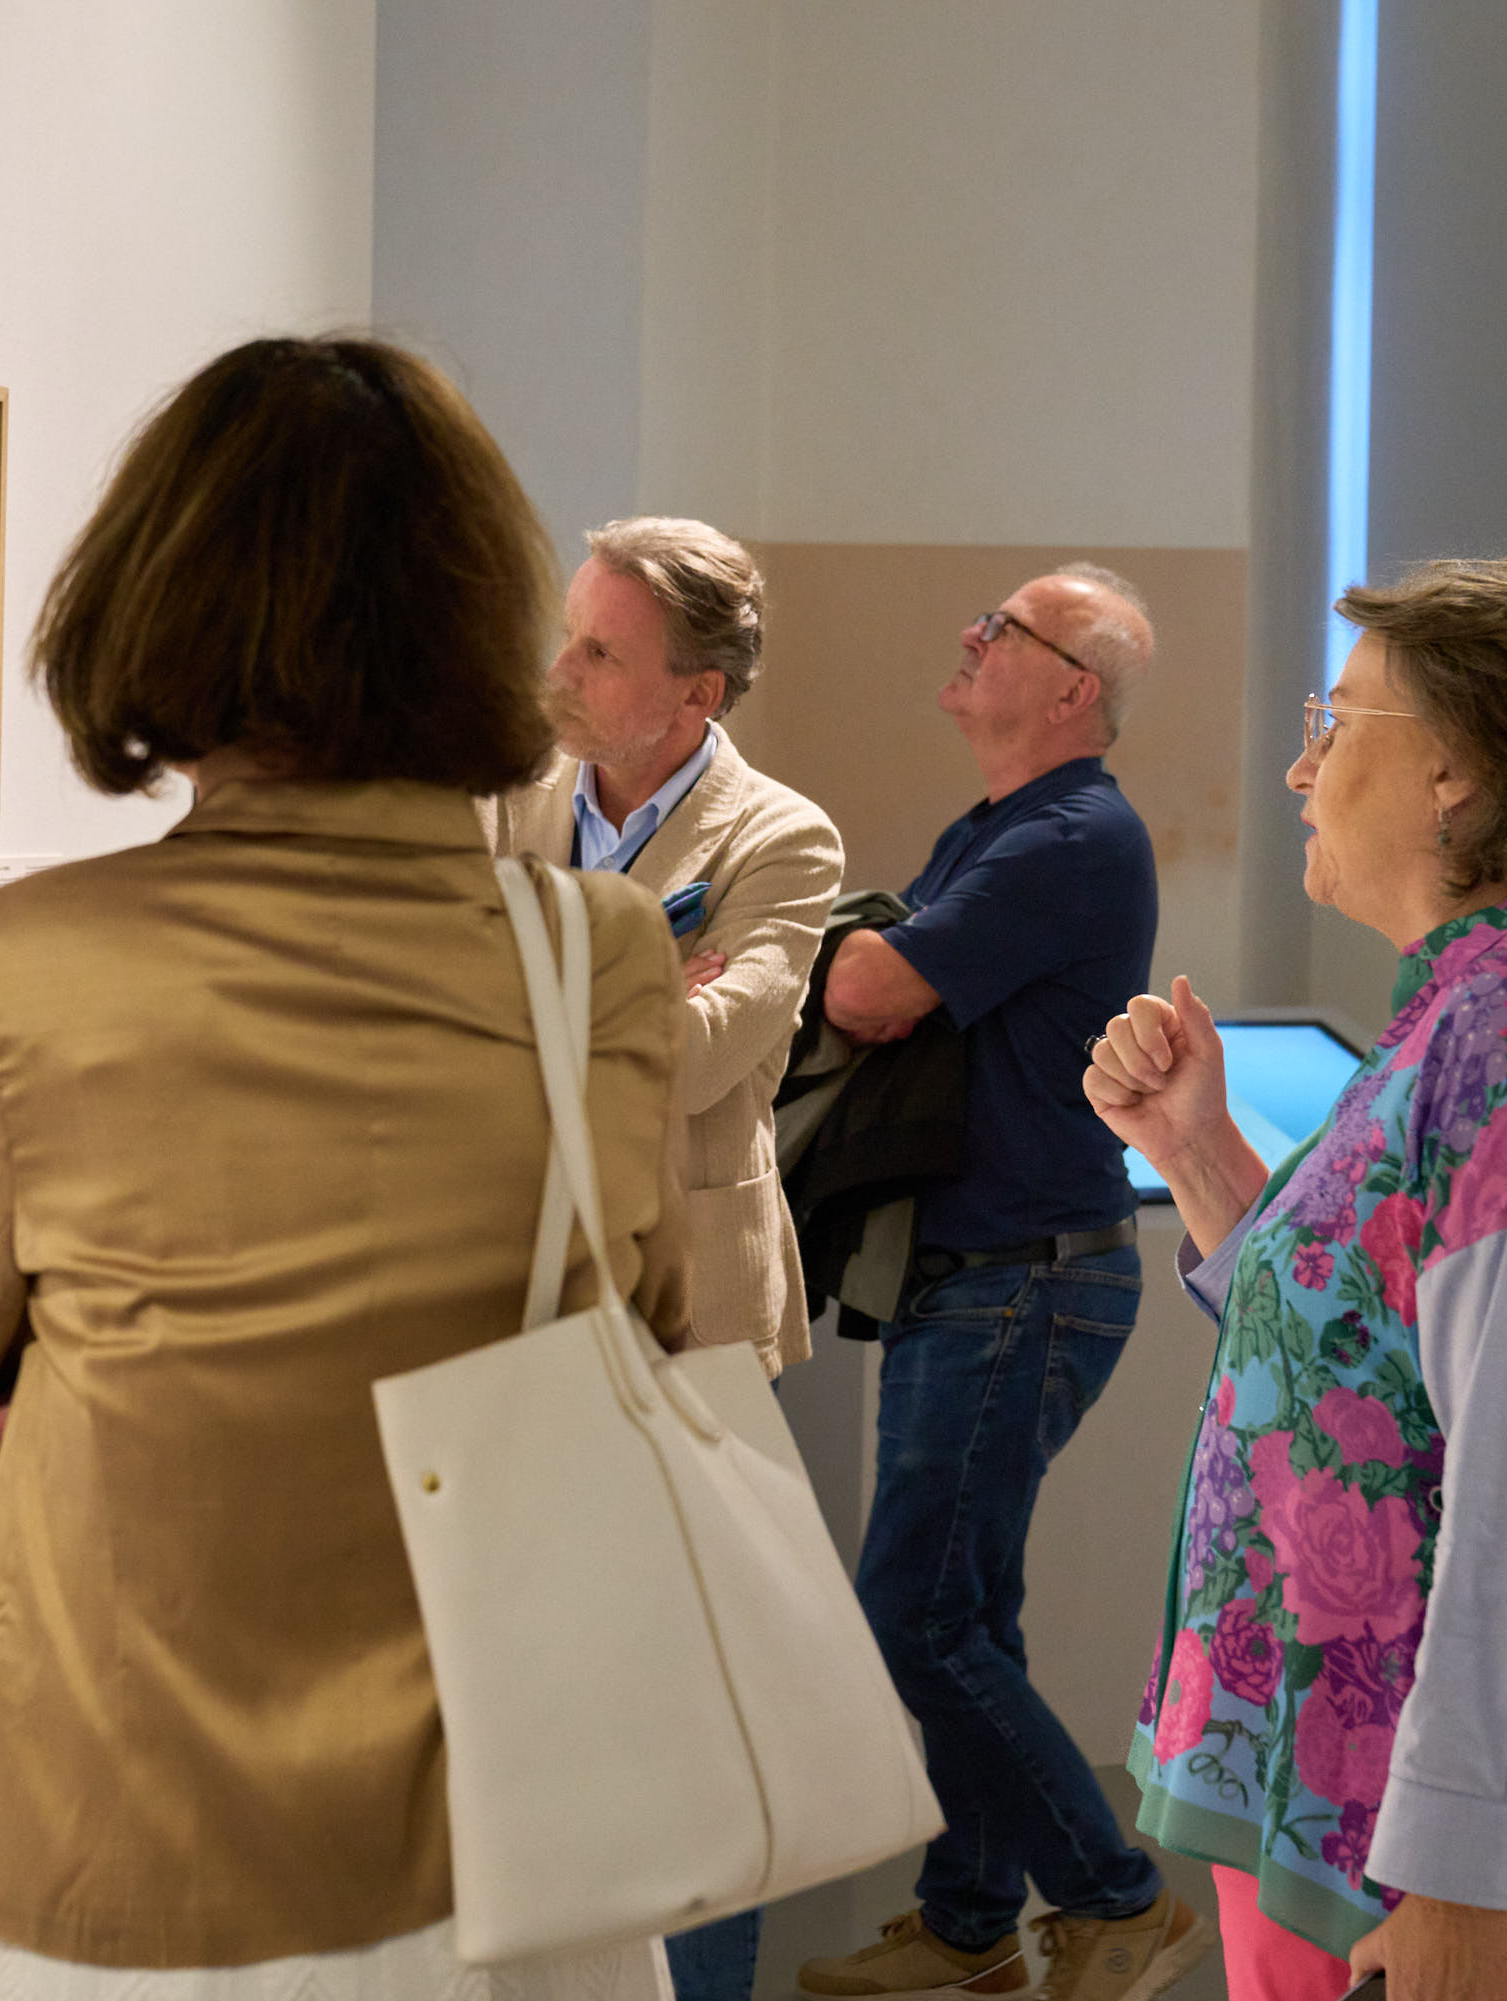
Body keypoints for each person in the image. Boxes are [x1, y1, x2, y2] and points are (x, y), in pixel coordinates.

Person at [0, 336, 693, 2001]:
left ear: (152, 602)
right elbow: (635, 1320)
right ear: (471, 617)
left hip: (131, 1812)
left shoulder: (14, 962)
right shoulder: (593, 953)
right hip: (498, 1821)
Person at [1084, 557, 1507, 2001]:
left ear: (1457, 769)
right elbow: (1367, 1349)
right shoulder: (1476, 996)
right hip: (1330, 1799)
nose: (1303, 767)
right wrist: (1197, 1154)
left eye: (1338, 721)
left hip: (1400, 1851)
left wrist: (1464, 1876)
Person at [796, 565, 1210, 2001]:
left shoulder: (1068, 836)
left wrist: (836, 944)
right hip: (983, 1272)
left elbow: (867, 992)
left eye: (1006, 630)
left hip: (1020, 1278)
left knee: (916, 1614)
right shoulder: (1003, 826)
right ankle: (971, 1921)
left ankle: (1116, 1898)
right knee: (967, 1609)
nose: (972, 638)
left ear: (1073, 690)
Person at [489, 515, 841, 2001]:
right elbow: (429, 1010)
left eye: (600, 651)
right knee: (539, 1692)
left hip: (693, 1316)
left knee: (694, 1713)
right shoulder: (507, 797)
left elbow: (702, 1059)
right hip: (508, 1306)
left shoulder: (783, 839)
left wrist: (527, 998)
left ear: (696, 694)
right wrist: (638, 985)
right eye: (567, 635)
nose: (559, 671)